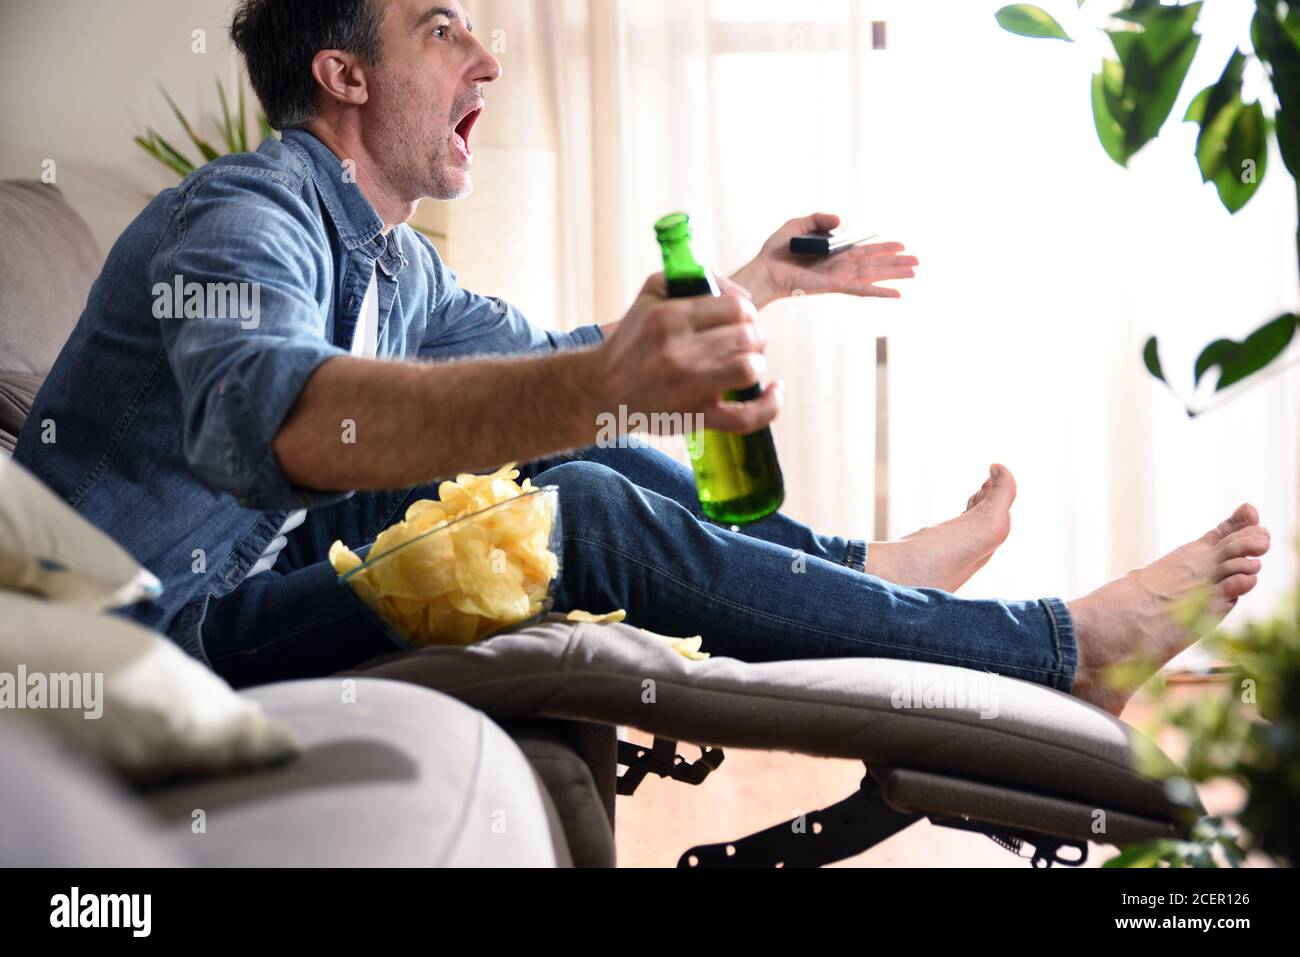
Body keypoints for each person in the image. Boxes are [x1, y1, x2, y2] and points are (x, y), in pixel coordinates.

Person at [14, 0, 1270, 719]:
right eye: (442, 29)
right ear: (341, 72)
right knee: (581, 517)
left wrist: (758, 282)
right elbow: (275, 421)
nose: (487, 56)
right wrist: (601, 382)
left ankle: (870, 571)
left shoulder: (395, 266)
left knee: (593, 461)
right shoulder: (241, 213)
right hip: (143, 646)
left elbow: (573, 363)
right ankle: (1063, 646)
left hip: (254, 577)